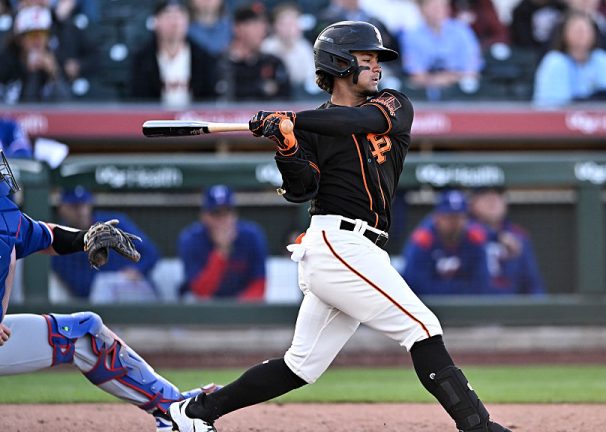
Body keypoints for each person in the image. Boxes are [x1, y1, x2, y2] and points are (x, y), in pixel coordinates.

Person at [168, 20, 511, 432]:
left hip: (359, 248)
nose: (376, 66)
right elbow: (301, 188)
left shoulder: (393, 104)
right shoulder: (309, 129)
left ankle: (192, 415)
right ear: (339, 63)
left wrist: (292, 119)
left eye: (377, 58)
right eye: (366, 58)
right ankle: (479, 427)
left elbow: (353, 122)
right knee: (422, 327)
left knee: (300, 366)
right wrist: (286, 143)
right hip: (337, 243)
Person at [0, 149, 217, 432]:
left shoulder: (7, 218)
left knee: (83, 332)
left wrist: (85, 238)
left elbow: (47, 235)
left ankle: (173, 409)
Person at [51, 186, 160, 303]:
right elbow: (81, 287)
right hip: (98, 298)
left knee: (107, 285)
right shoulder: (59, 239)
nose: (82, 212)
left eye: (84, 205)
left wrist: (136, 270)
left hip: (132, 288)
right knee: (103, 285)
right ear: (62, 209)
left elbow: (151, 253)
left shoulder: (113, 223)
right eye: (75, 207)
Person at [177, 185, 269, 302]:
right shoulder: (190, 239)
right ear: (204, 216)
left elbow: (259, 285)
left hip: (242, 305)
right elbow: (200, 291)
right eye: (216, 213)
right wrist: (221, 252)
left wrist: (236, 310)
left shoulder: (251, 235)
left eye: (227, 213)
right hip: (203, 307)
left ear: (235, 215)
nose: (223, 220)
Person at [401, 189, 491, 295]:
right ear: (437, 217)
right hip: (426, 305)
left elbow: (481, 283)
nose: (455, 223)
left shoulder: (474, 238)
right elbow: (415, 284)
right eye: (449, 217)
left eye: (459, 217)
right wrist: (459, 288)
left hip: (467, 305)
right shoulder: (423, 239)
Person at [129, 0, 218, 106]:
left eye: (179, 17)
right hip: (155, 119)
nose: (174, 23)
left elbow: (209, 99)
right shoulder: (142, 58)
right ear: (156, 21)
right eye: (168, 17)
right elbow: (138, 100)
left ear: (187, 21)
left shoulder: (203, 57)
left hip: (192, 119)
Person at [399, 0, 483, 100]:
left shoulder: (462, 31)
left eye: (442, 6)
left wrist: (450, 78)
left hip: (460, 89)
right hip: (424, 91)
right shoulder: (411, 35)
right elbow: (415, 74)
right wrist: (437, 80)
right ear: (422, 9)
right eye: (434, 7)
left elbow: (472, 68)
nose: (439, 10)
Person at [532, 10, 606, 106]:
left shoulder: (601, 59)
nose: (582, 35)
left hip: (597, 120)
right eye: (577, 31)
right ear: (564, 34)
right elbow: (555, 105)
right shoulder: (555, 61)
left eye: (586, 30)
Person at [469, 188, 545, 295]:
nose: (492, 200)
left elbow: (533, 285)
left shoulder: (519, 236)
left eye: (498, 194)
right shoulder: (462, 234)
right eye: (484, 194)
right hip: (473, 305)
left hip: (512, 307)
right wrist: (495, 237)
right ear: (472, 202)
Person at [0, 5, 72, 103]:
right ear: (20, 39)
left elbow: (68, 108)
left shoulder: (56, 59)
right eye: (32, 34)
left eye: (43, 34)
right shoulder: (5, 61)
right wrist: (28, 72)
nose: (38, 40)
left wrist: (54, 75)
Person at [219, 3, 290, 101]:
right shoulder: (220, 64)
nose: (262, 29)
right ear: (237, 27)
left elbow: (286, 104)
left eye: (264, 24)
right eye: (255, 24)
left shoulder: (274, 63)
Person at [260, 2, 316, 90]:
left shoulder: (304, 47)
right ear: (275, 26)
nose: (289, 28)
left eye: (292, 23)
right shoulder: (266, 47)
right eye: (284, 23)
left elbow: (312, 77)